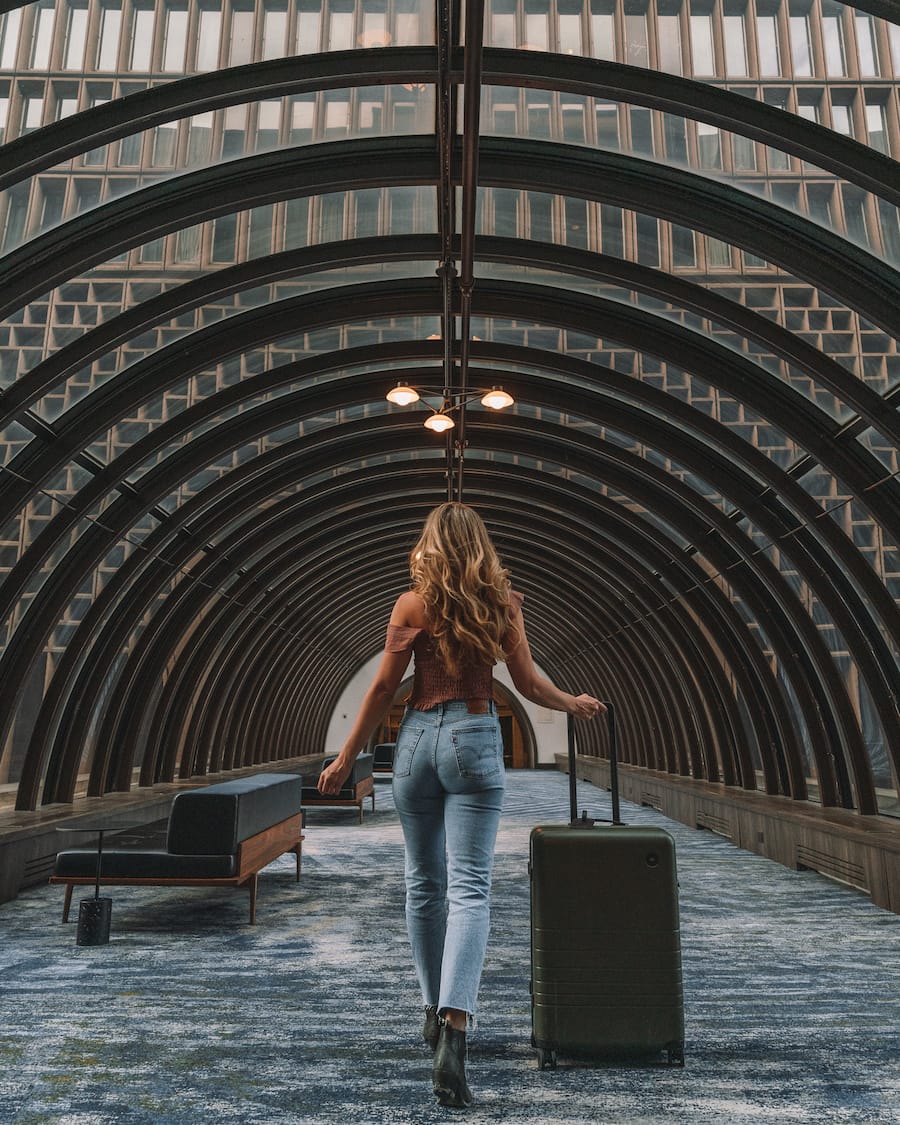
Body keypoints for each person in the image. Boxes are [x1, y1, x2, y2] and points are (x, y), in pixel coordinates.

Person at [318, 502, 604, 1108]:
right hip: (474, 738)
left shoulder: (411, 604)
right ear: (480, 545)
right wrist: (569, 702)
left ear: (429, 544)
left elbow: (382, 688)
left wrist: (346, 757)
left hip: (415, 741)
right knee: (469, 888)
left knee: (422, 882)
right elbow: (526, 683)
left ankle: (430, 1007)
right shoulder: (502, 603)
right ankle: (454, 1027)